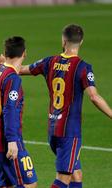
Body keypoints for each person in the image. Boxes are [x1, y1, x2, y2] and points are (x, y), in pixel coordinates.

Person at [19, 24, 112, 188]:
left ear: (63, 40)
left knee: (76, 175)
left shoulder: (49, 61)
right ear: (81, 41)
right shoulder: (83, 67)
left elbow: (20, 69)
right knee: (63, 178)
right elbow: (94, 97)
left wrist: (3, 62)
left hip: (53, 129)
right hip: (69, 132)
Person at [0, 36, 38, 188]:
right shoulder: (13, 79)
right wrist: (12, 140)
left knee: (6, 185)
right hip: (8, 140)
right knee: (29, 183)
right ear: (25, 53)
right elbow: (9, 109)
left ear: (4, 53)